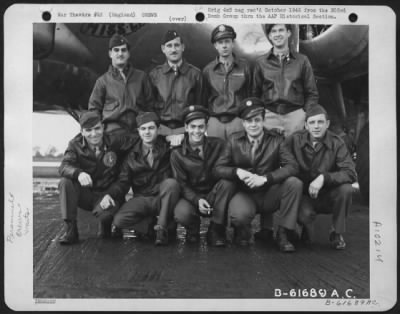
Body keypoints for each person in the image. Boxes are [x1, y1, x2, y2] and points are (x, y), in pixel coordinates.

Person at [214, 97, 302, 252]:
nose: (253, 124)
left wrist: (266, 179)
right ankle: (242, 229)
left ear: (263, 121)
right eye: (248, 121)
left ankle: (284, 232)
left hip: (269, 192)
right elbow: (218, 168)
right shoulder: (233, 140)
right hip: (245, 193)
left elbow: (293, 166)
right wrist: (237, 171)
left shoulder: (276, 140)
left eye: (257, 120)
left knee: (294, 183)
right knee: (239, 215)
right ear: (243, 123)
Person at [58, 111, 138, 245]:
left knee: (106, 230)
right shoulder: (75, 144)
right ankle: (70, 230)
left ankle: (107, 223)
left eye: (97, 129)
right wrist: (78, 173)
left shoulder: (115, 140)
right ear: (82, 132)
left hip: (108, 194)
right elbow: (64, 166)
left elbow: (140, 138)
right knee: (65, 182)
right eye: (88, 130)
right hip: (87, 194)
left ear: (103, 127)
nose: (94, 134)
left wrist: (170, 137)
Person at [285, 105, 357, 249]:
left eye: (320, 122)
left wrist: (324, 178)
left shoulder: (337, 143)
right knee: (305, 219)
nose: (316, 126)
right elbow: (282, 163)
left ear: (327, 124)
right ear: (306, 125)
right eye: (312, 123)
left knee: (346, 189)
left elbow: (350, 172)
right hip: (304, 195)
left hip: (327, 195)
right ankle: (302, 226)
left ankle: (336, 232)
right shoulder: (294, 140)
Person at [104, 112, 180, 246]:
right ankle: (150, 227)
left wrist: (179, 140)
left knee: (171, 184)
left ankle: (161, 230)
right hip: (142, 198)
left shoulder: (168, 147)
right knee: (119, 220)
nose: (147, 132)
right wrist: (109, 194)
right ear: (138, 131)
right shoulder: (131, 155)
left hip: (163, 198)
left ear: (158, 129)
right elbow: (123, 182)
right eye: (143, 129)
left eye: (151, 128)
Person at [170, 105, 237, 246]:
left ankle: (216, 229)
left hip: (214, 194)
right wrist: (197, 199)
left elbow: (226, 169)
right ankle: (193, 229)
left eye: (201, 127)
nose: (197, 131)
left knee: (228, 183)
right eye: (193, 127)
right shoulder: (177, 153)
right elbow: (181, 183)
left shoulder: (219, 145)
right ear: (186, 128)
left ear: (206, 127)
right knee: (181, 213)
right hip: (191, 196)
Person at [252, 24, 319, 136]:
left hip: (295, 115)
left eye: (281, 30)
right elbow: (255, 93)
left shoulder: (302, 61)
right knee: (270, 152)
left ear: (288, 33)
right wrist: (261, 115)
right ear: (269, 36)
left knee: (294, 152)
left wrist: (304, 114)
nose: (277, 34)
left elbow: (312, 93)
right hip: (269, 116)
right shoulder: (261, 63)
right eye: (273, 31)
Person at [88, 33, 154, 139]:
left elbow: (150, 106)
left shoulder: (141, 77)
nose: (120, 54)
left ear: (128, 54)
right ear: (110, 53)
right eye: (116, 50)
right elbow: (94, 111)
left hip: (138, 135)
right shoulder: (102, 81)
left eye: (123, 50)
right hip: (111, 135)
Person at [149, 30, 203, 146]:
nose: (173, 50)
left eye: (177, 45)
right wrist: (162, 132)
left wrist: (185, 132)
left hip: (188, 132)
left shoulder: (195, 74)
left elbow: (200, 107)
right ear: (163, 49)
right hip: (161, 133)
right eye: (169, 46)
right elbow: (150, 108)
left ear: (183, 47)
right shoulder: (154, 75)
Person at [203, 24, 252, 140]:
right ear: (215, 45)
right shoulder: (208, 70)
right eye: (220, 42)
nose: (224, 46)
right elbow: (203, 98)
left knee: (237, 156)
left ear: (233, 43)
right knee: (215, 155)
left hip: (238, 120)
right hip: (214, 122)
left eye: (227, 41)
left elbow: (251, 94)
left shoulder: (245, 67)